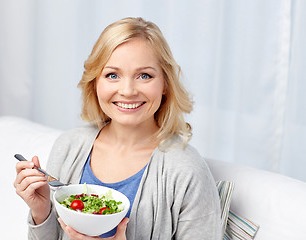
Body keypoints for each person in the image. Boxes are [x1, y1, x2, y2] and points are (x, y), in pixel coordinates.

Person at [14, 17, 222, 240]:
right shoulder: (69, 146)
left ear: (165, 84)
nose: (128, 90)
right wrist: (41, 211)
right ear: (95, 83)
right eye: (112, 75)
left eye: (144, 76)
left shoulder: (186, 170)